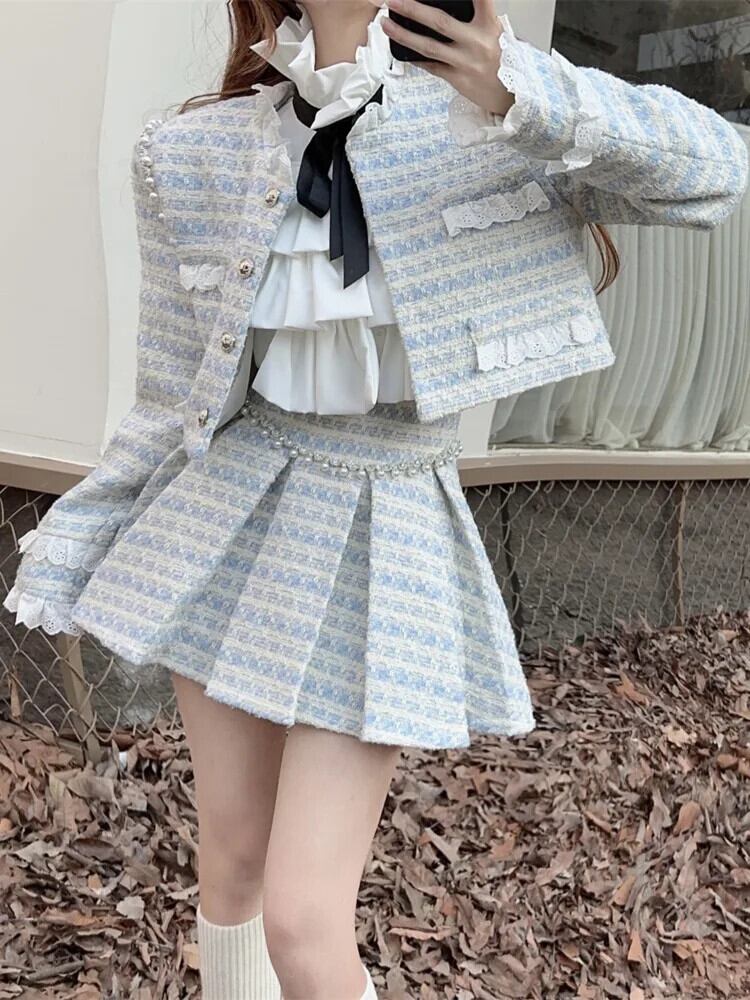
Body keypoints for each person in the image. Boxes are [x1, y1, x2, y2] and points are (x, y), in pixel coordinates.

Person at [4, 1, 747, 998]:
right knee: (231, 860)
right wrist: (82, 533)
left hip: (389, 517)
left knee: (305, 920)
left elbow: (715, 172)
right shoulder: (193, 149)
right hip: (224, 513)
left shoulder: (502, 118)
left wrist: (523, 89)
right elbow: (172, 395)